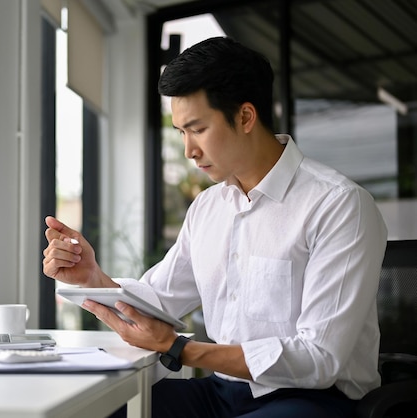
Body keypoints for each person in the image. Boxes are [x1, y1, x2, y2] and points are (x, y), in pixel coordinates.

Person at [42, 36, 387, 418]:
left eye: (197, 129)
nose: (189, 149)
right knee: (103, 411)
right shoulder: (208, 208)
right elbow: (160, 300)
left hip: (314, 399)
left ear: (245, 117)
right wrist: (93, 278)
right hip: (224, 392)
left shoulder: (338, 204)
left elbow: (320, 358)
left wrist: (180, 349)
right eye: (181, 132)